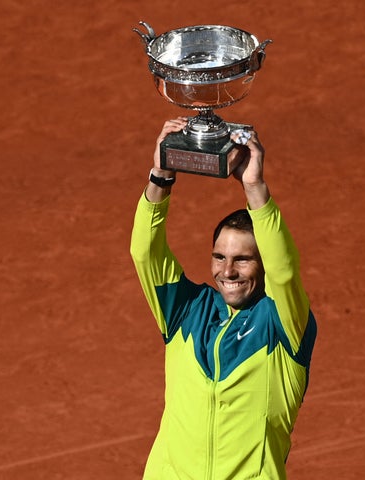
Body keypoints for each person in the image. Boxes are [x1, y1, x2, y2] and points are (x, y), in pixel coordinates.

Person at [130, 117, 317, 480]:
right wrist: (160, 175)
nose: (227, 272)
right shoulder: (185, 310)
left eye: (243, 259)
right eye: (220, 257)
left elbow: (285, 272)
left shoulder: (282, 324)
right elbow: (145, 253)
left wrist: (254, 187)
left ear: (262, 265)